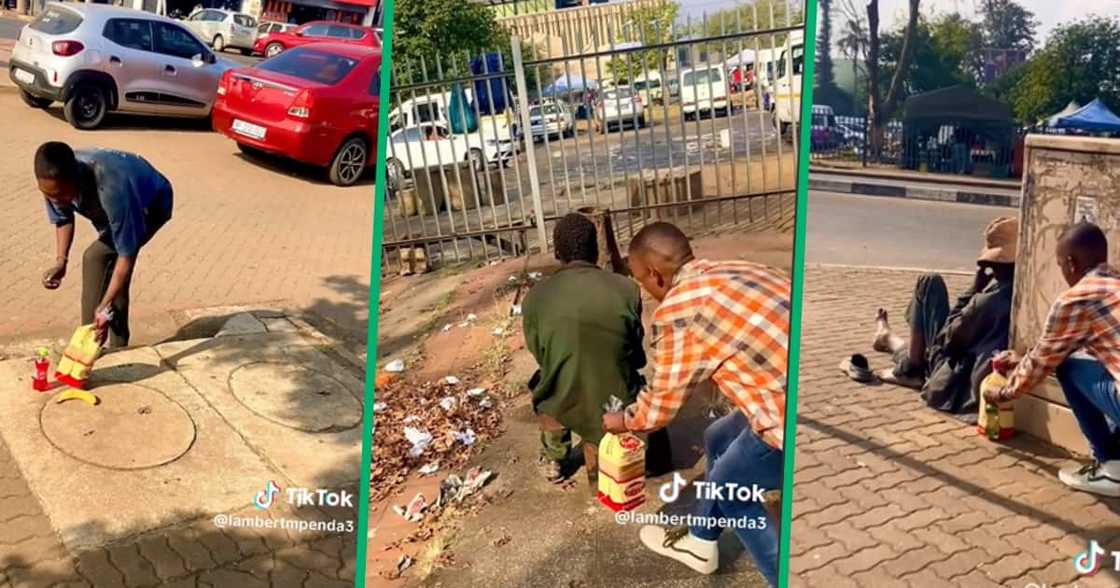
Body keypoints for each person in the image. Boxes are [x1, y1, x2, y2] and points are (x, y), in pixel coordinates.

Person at [602, 222, 788, 586]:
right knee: (719, 436)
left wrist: (622, 421)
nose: (644, 289)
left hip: (782, 419)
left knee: (729, 490)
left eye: (640, 280)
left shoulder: (677, 312)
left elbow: (658, 409)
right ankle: (701, 542)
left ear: (655, 275)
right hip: (781, 387)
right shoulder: (737, 268)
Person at [522, 213, 669, 483]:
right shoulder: (626, 288)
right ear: (595, 249)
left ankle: (555, 455)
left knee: (544, 384)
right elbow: (635, 352)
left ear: (557, 252)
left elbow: (541, 353)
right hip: (617, 394)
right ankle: (650, 450)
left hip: (563, 396)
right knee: (639, 382)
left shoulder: (536, 296)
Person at [986, 222, 1120, 497]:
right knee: (1103, 366)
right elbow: (1059, 348)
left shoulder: (1076, 298)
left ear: (1070, 263)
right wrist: (1024, 357)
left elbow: (1043, 361)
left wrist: (1003, 394)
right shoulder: (1114, 284)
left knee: (1069, 368)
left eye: (1060, 265)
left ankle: (1110, 466)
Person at [872, 217, 1018, 415]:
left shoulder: (987, 300)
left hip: (955, 370)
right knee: (919, 344)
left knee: (928, 282)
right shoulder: (1016, 289)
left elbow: (946, 339)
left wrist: (973, 290)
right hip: (971, 354)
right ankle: (887, 338)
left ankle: (909, 365)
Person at [36, 142, 174, 348]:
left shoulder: (113, 189)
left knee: (97, 258)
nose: (55, 201)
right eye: (49, 195)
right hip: (106, 206)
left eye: (61, 194)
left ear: (75, 179)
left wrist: (104, 305)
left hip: (150, 205)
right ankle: (106, 342)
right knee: (106, 268)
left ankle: (90, 345)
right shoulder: (54, 181)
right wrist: (61, 262)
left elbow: (127, 254)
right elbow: (63, 219)